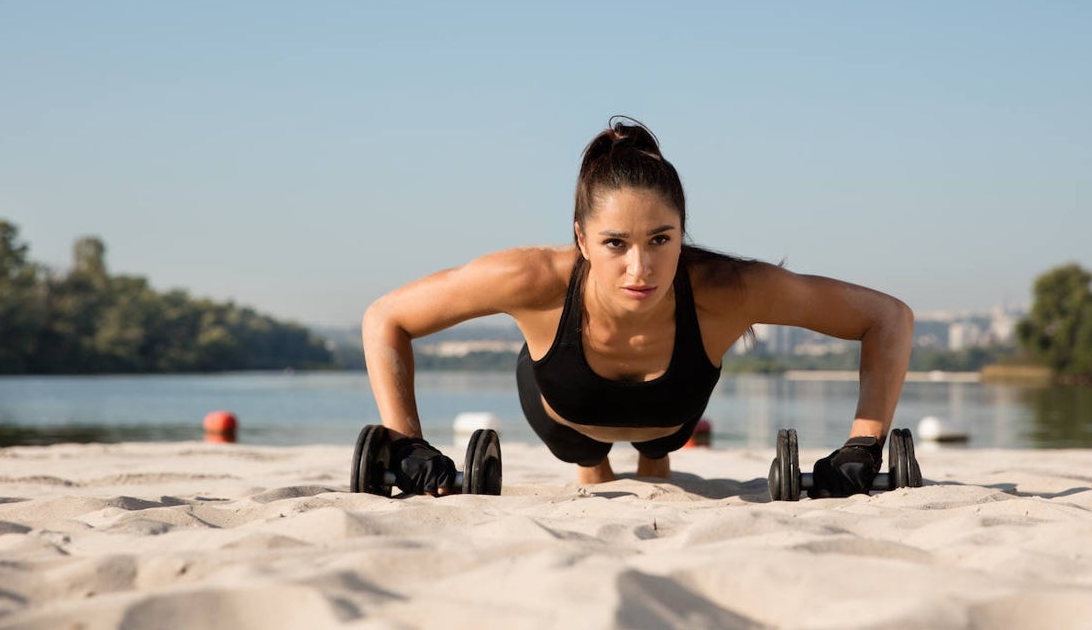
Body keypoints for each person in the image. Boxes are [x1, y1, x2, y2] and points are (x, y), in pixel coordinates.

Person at [361, 117, 914, 497]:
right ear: (581, 239)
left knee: (659, 455)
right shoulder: (533, 278)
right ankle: (595, 465)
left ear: (682, 234)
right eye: (615, 243)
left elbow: (887, 318)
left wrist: (862, 445)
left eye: (660, 240)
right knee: (587, 460)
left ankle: (655, 462)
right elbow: (386, 318)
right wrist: (407, 442)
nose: (640, 268)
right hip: (565, 413)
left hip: (671, 415)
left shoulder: (731, 288)